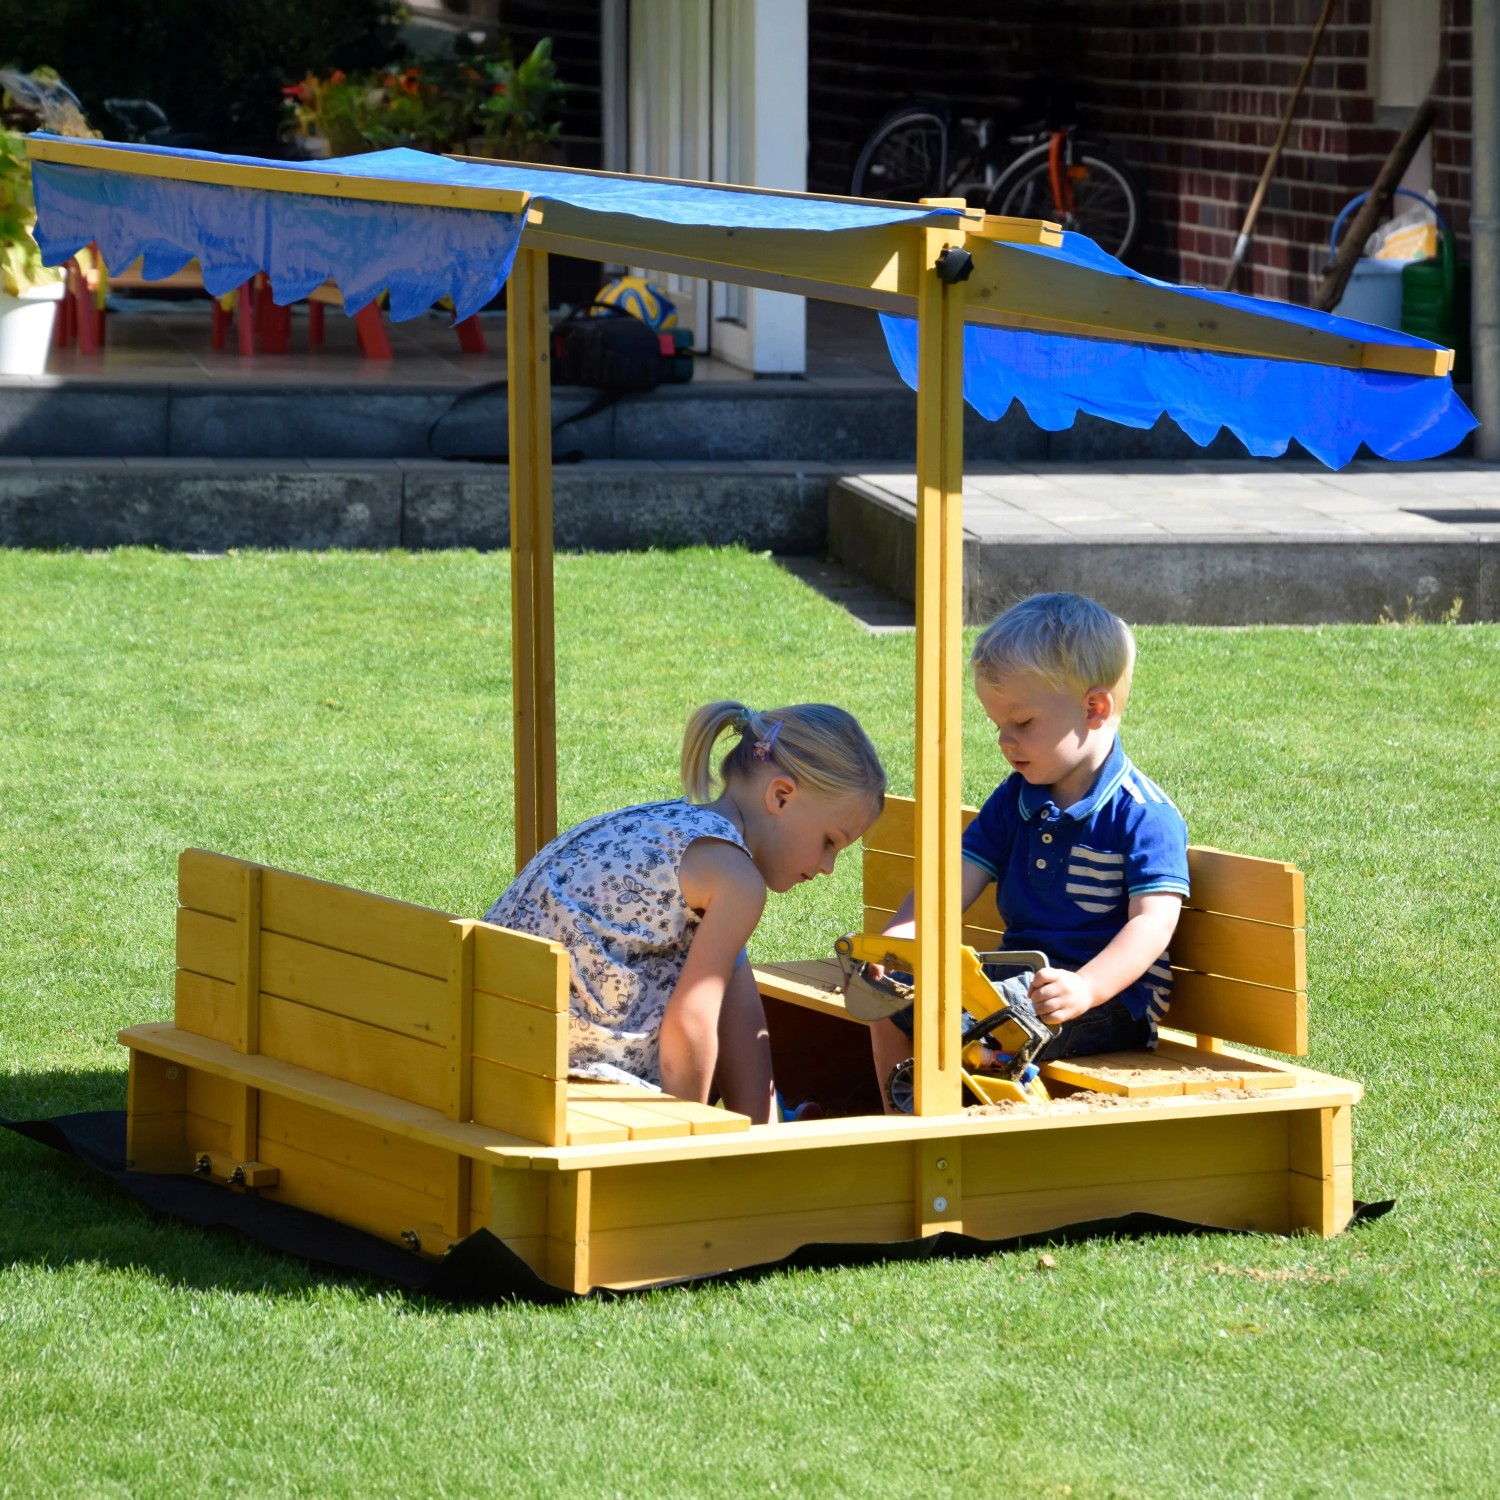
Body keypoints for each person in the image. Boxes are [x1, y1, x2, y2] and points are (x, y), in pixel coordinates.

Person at [485, 701, 887, 1126]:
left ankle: (764, 1129)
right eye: (829, 841)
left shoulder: (671, 824)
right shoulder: (736, 879)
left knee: (726, 960)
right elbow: (691, 1022)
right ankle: (759, 1131)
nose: (828, 867)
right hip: (565, 1079)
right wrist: (687, 1141)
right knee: (717, 970)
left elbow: (732, 998)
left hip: (487, 1048)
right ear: (780, 796)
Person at [870, 592, 1189, 1102]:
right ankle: (902, 1117)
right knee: (889, 997)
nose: (1005, 740)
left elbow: (1151, 924)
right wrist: (904, 938)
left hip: (1107, 1002)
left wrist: (1086, 987)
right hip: (1018, 979)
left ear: (1095, 708)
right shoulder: (1014, 800)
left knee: (978, 1024)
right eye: (998, 725)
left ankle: (982, 1123)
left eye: (1022, 723)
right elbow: (951, 883)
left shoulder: (1142, 814)